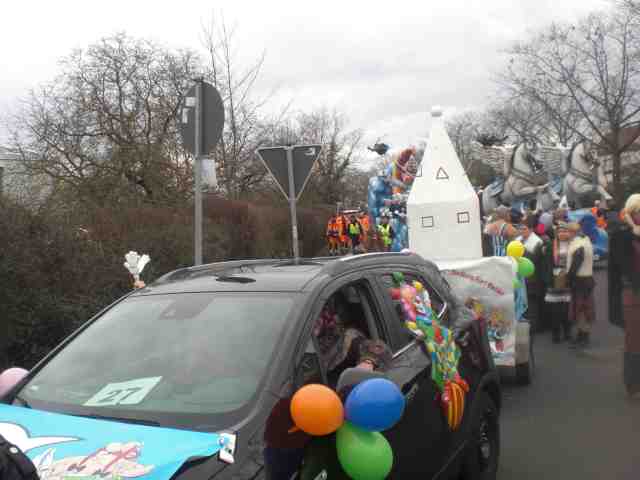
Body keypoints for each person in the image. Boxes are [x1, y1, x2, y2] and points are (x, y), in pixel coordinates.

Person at [609, 193, 640, 397]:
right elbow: (621, 268)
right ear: (631, 213)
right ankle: (633, 383)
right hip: (633, 294)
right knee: (634, 341)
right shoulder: (621, 236)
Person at [566, 221, 595, 348]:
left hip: (580, 280)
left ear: (572, 232)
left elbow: (575, 265)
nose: (566, 234)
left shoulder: (579, 245)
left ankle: (583, 336)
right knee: (584, 308)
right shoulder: (586, 241)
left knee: (581, 309)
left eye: (568, 231)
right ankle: (582, 334)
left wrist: (568, 278)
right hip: (586, 279)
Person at [545, 222, 573, 343]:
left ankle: (567, 332)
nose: (562, 234)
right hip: (554, 278)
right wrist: (548, 279)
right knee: (555, 310)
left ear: (568, 233)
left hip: (568, 278)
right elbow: (547, 264)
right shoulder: (550, 245)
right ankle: (555, 333)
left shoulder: (572, 244)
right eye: (560, 231)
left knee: (567, 308)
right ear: (556, 233)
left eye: (565, 231)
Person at [517, 215, 545, 332]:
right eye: (520, 228)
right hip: (520, 278)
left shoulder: (537, 242)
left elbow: (536, 261)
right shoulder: (517, 240)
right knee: (522, 302)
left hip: (533, 278)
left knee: (532, 304)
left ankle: (534, 327)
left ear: (531, 229)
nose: (522, 231)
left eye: (524, 229)